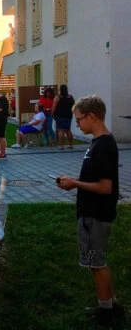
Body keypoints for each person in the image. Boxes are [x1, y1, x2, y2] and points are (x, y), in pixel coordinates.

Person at [56, 95, 124, 329]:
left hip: (96, 214)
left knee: (97, 264)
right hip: (91, 213)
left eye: (79, 120)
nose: (77, 124)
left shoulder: (103, 145)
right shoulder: (97, 142)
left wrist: (75, 184)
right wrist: (74, 181)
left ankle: (105, 311)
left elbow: (106, 187)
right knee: (99, 262)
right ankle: (111, 303)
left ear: (92, 117)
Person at [52, 84, 75, 150]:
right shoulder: (71, 97)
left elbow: (54, 106)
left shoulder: (58, 97)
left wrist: (52, 114)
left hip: (60, 116)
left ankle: (62, 146)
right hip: (68, 116)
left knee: (60, 130)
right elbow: (74, 105)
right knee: (68, 130)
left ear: (60, 90)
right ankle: (71, 145)